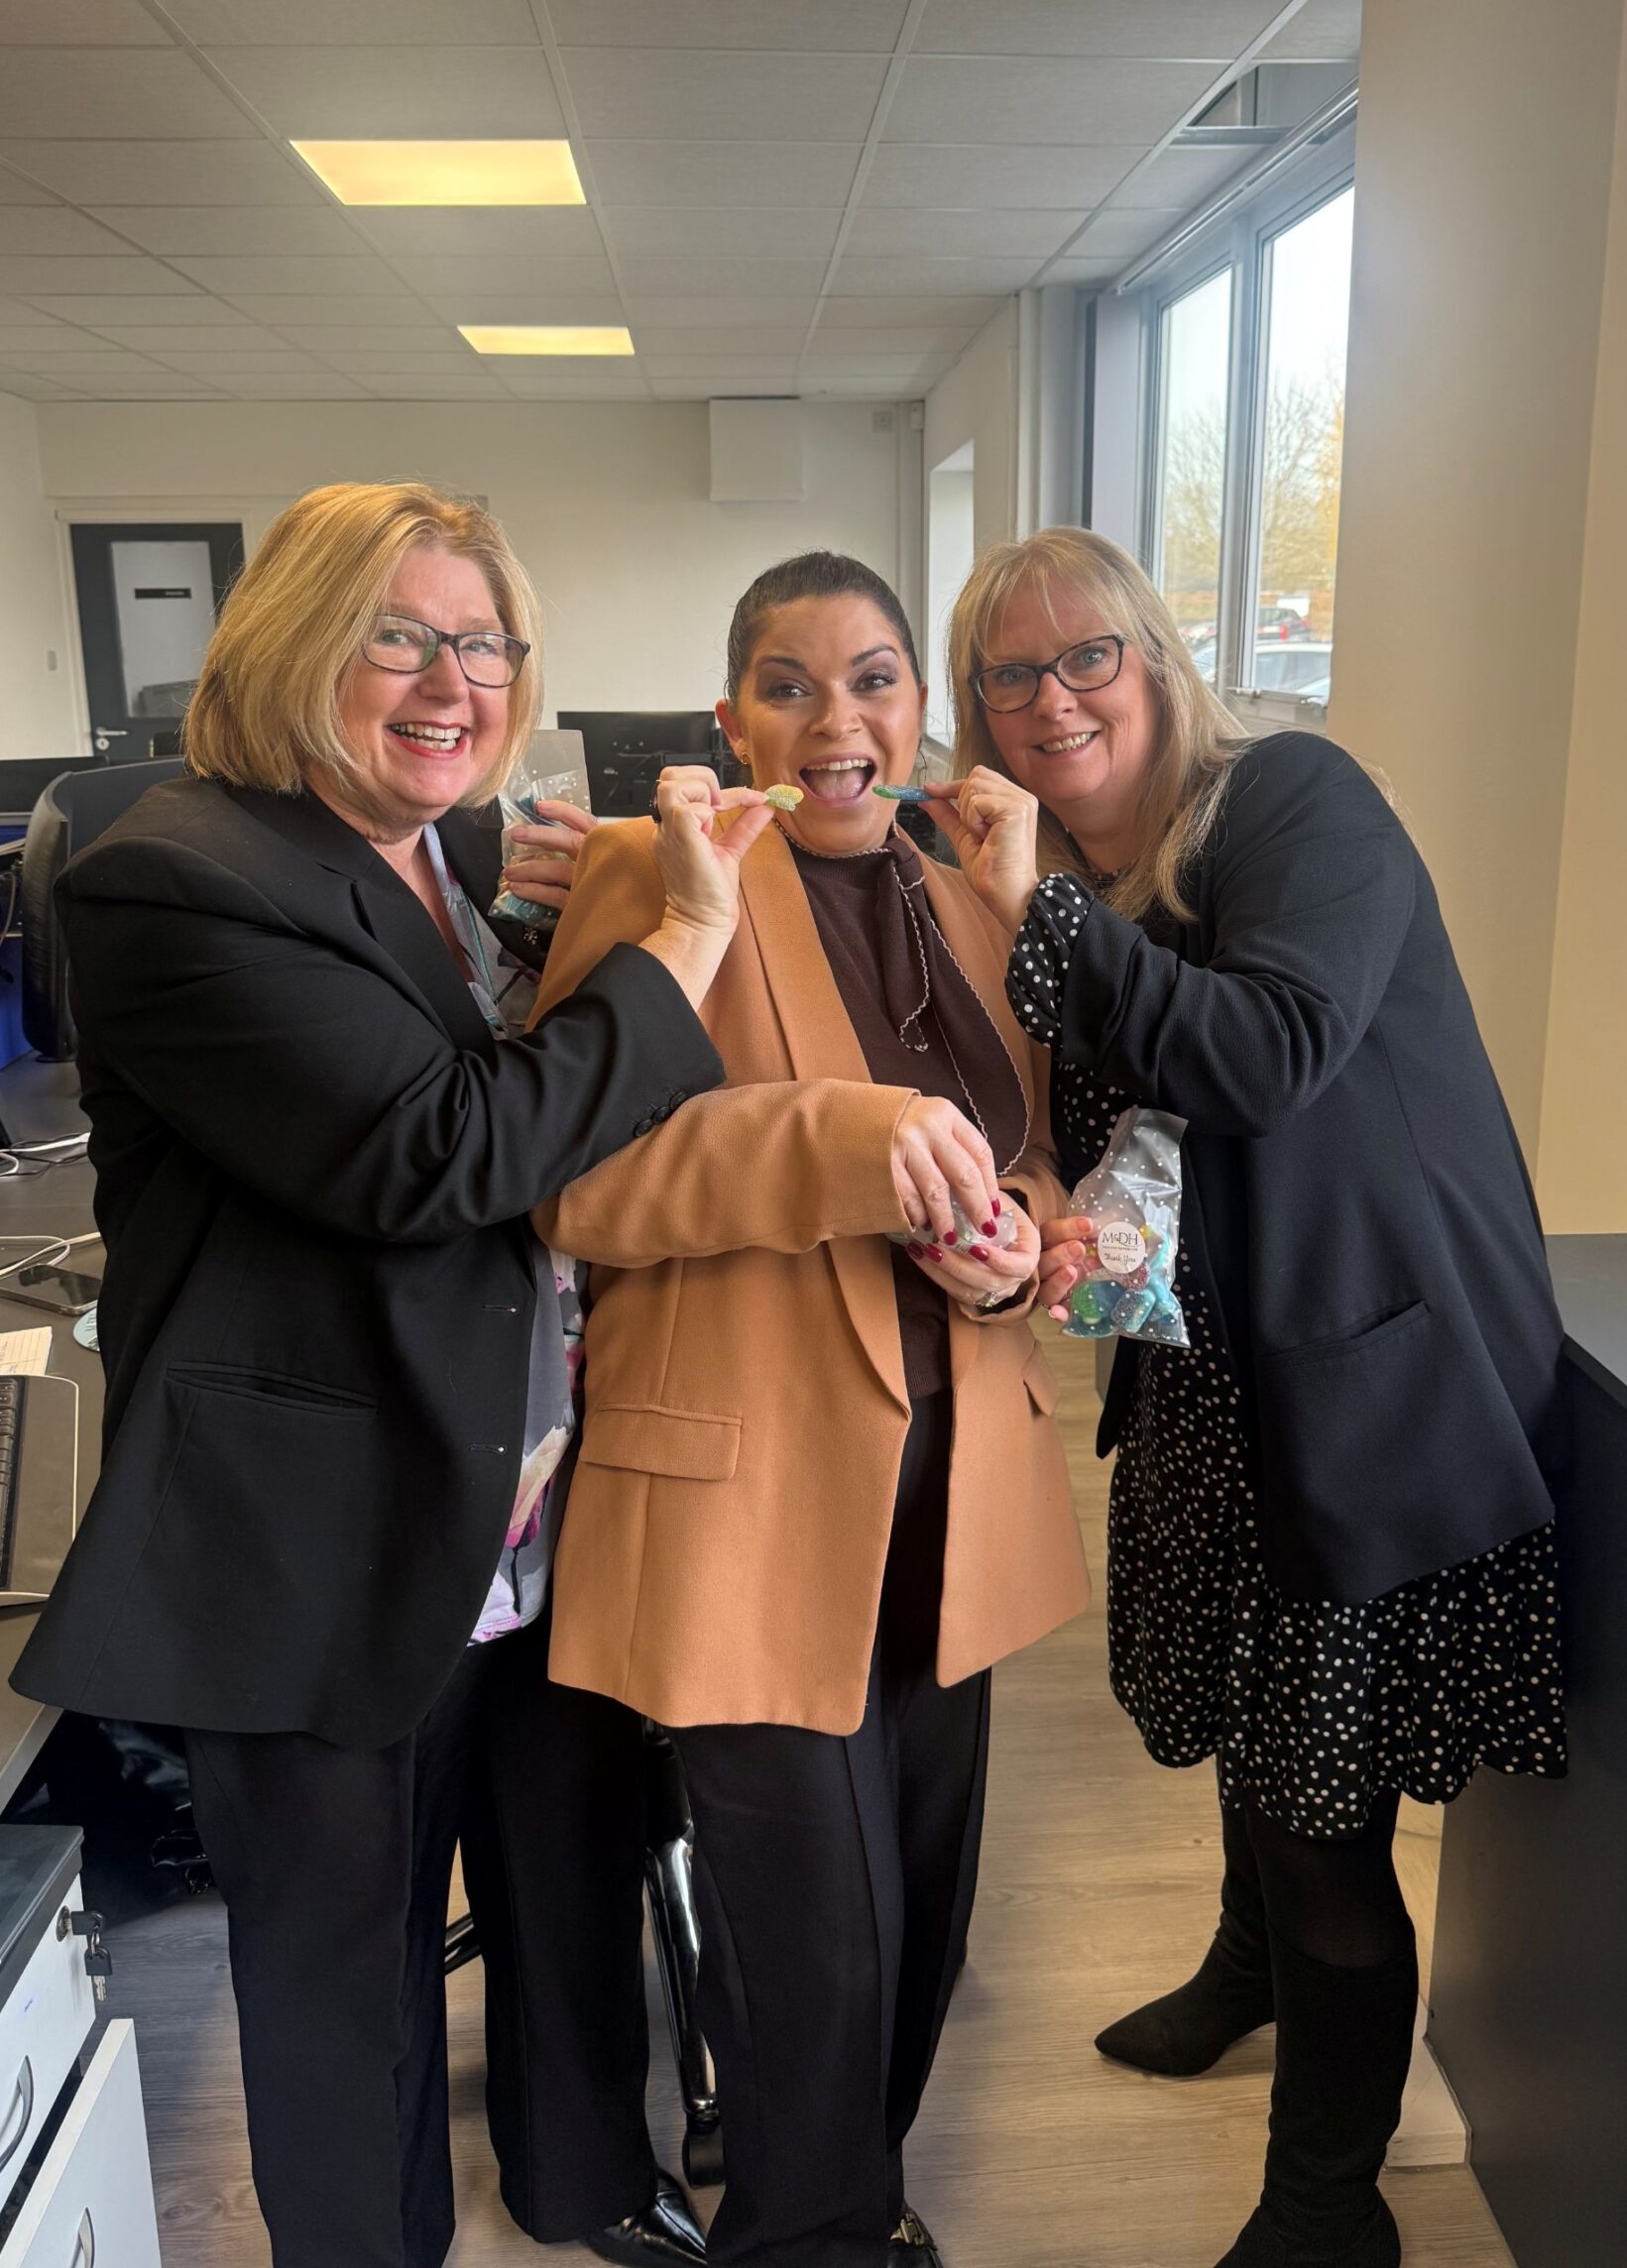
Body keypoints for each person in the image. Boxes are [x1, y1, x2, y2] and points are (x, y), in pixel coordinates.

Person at [11, 481, 765, 2268]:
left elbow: (487, 1058)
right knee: (347, 1993)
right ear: (294, 646)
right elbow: (437, 1150)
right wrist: (681, 942)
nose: (454, 682)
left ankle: (583, 2183)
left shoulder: (451, 849)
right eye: (401, 637)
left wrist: (551, 937)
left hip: (524, 1497)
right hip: (327, 1533)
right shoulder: (172, 879)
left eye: (486, 644)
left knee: (563, 1891)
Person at [931, 528, 1568, 2268]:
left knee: (1323, 1808)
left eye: (1089, 655)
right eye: (1009, 672)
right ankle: (1244, 1967)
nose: (1054, 698)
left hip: (1371, 1389)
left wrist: (1042, 910)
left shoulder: (1295, 801)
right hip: (1211, 1382)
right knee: (1243, 1723)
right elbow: (1120, 1124)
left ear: (1156, 659)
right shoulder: (1074, 872)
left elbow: (1266, 1057)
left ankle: (1326, 2211)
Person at [529, 552, 1091, 2268]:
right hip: (748, 1495)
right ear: (732, 719)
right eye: (789, 685)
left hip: (952, 1487)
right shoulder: (658, 873)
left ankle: (854, 2198)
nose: (835, 720)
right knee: (812, 1948)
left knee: (917, 1921)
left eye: (874, 680)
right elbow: (575, 1183)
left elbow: (1021, 1155)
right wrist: (841, 1143)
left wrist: (1011, 1251)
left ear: (922, 707)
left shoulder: (973, 894)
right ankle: (810, 2236)